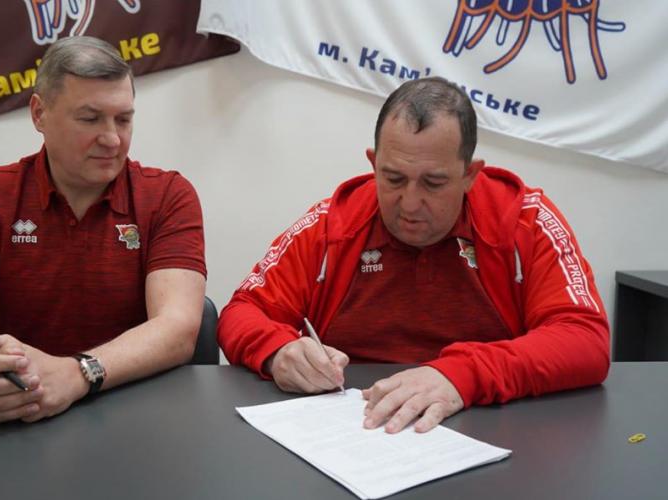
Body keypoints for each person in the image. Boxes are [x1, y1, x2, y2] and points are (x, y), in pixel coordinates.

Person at [218, 77, 609, 434]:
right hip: (355, 429)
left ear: (470, 175)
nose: (409, 203)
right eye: (393, 179)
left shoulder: (525, 222)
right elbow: (242, 310)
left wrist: (461, 375)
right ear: (373, 163)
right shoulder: (332, 226)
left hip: (489, 428)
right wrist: (278, 352)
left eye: (433, 183)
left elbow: (585, 339)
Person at [0, 36, 207, 424]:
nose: (112, 139)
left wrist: (79, 373)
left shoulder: (168, 195)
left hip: (141, 414)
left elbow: (177, 329)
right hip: (28, 411)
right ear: (39, 114)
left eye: (123, 119)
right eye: (89, 119)